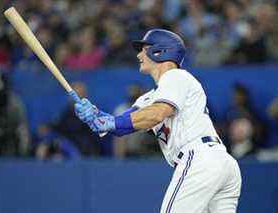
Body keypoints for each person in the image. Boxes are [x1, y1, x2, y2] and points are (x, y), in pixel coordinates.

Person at [70, 29, 242, 213]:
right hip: (220, 163)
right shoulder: (153, 96)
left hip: (199, 158)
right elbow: (121, 124)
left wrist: (111, 122)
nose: (139, 54)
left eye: (144, 49)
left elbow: (158, 113)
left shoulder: (176, 76)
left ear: (160, 51)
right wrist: (94, 115)